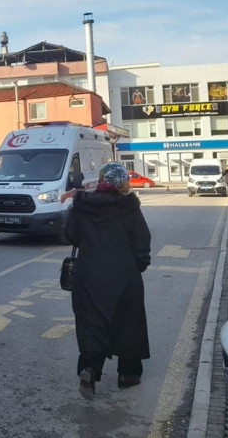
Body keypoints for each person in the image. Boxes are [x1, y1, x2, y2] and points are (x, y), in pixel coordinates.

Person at [61, 162, 151, 400]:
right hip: (124, 275)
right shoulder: (129, 206)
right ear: (122, 183)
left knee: (91, 322)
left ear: (101, 181)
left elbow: (70, 234)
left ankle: (90, 369)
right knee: (129, 322)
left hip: (89, 274)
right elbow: (142, 240)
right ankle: (128, 374)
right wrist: (139, 264)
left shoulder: (83, 204)